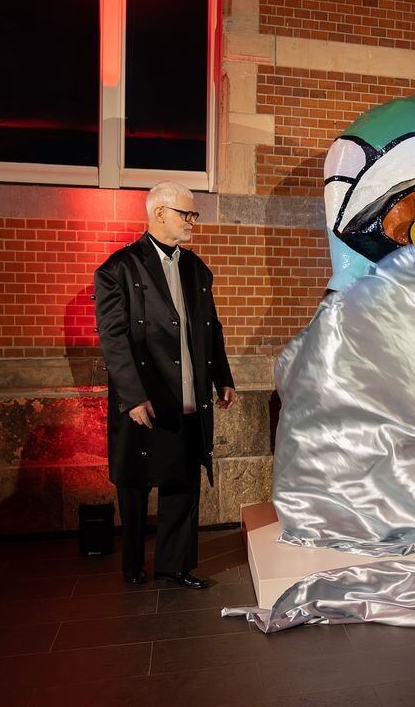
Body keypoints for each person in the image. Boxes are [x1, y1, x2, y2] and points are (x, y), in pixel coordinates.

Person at [94, 181, 237, 589]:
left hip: (188, 394)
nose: (193, 222)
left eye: (193, 214)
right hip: (146, 398)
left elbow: (211, 328)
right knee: (136, 485)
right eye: (186, 214)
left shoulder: (195, 267)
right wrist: (132, 396)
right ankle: (133, 564)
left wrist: (222, 377)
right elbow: (114, 339)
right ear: (159, 214)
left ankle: (175, 565)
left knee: (183, 481)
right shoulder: (117, 268)